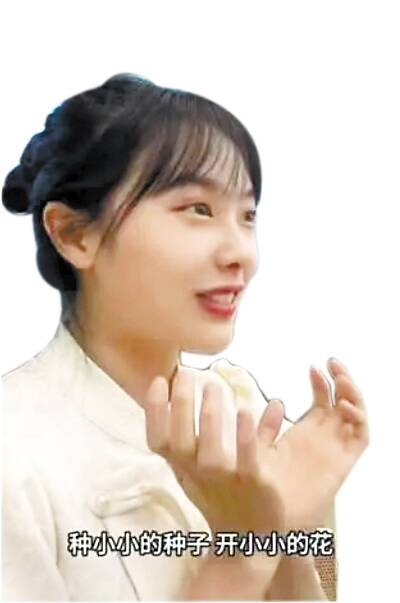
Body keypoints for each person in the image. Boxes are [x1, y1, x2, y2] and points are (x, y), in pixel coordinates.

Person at [1, 73, 368, 601]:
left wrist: (291, 529)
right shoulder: (14, 454)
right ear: (75, 234)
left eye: (247, 215)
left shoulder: (245, 418)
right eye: (198, 209)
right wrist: (243, 553)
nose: (241, 254)